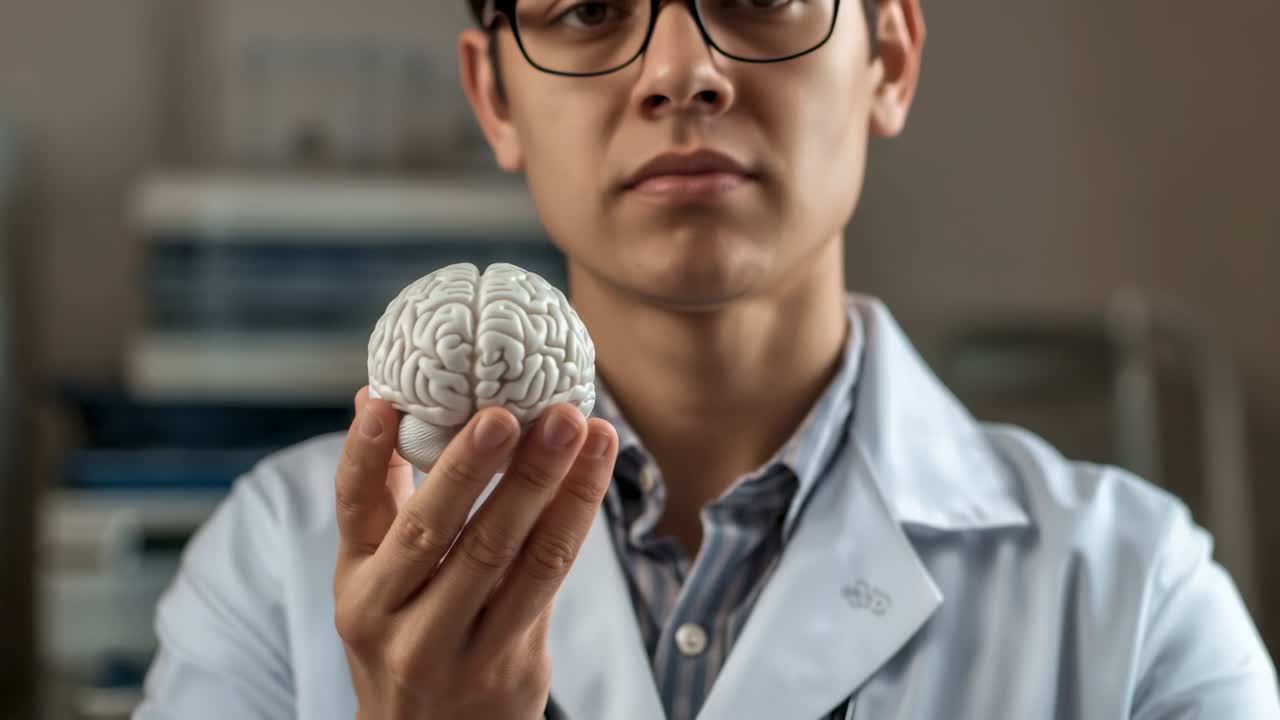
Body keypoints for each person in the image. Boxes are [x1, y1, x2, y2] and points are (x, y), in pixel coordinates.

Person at [134, 1, 1280, 718]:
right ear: (494, 96)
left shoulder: (1135, 603)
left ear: (887, 54)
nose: (679, 71)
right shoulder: (267, 571)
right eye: (585, 9)